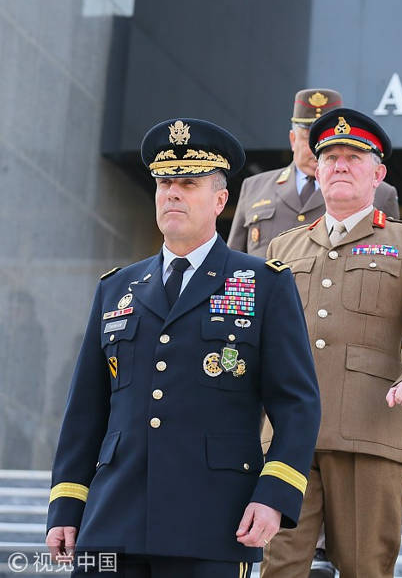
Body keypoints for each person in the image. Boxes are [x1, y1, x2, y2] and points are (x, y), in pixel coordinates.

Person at [45, 118, 321, 577]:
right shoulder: (119, 287)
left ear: (220, 200)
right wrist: (67, 503)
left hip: (213, 519)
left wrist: (274, 496)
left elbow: (298, 404)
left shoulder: (262, 284)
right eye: (164, 183)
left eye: (188, 183)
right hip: (113, 517)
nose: (172, 193)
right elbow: (85, 412)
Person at [260, 108, 402, 578]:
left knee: (365, 566)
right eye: (329, 157)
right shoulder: (282, 249)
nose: (340, 166)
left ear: (378, 174)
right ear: (318, 169)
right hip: (287, 438)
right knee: (278, 565)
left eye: (353, 157)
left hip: (371, 430)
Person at [228, 88, 400, 258]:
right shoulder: (254, 187)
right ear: (293, 139)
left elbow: (393, 257)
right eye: (308, 138)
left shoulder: (381, 192)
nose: (314, 149)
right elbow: (234, 259)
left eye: (324, 143)